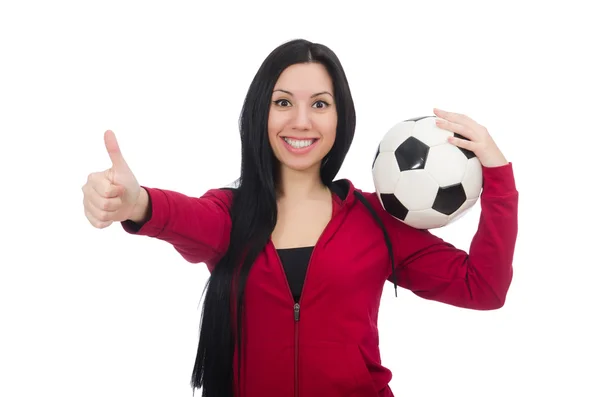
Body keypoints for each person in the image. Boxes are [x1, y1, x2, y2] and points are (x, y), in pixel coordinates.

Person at [81, 39, 519, 397]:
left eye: (321, 104)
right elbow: (179, 216)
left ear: (340, 116)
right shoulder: (229, 215)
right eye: (284, 102)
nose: (302, 121)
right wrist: (135, 202)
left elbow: (483, 287)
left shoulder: (377, 220)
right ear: (261, 113)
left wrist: (498, 175)